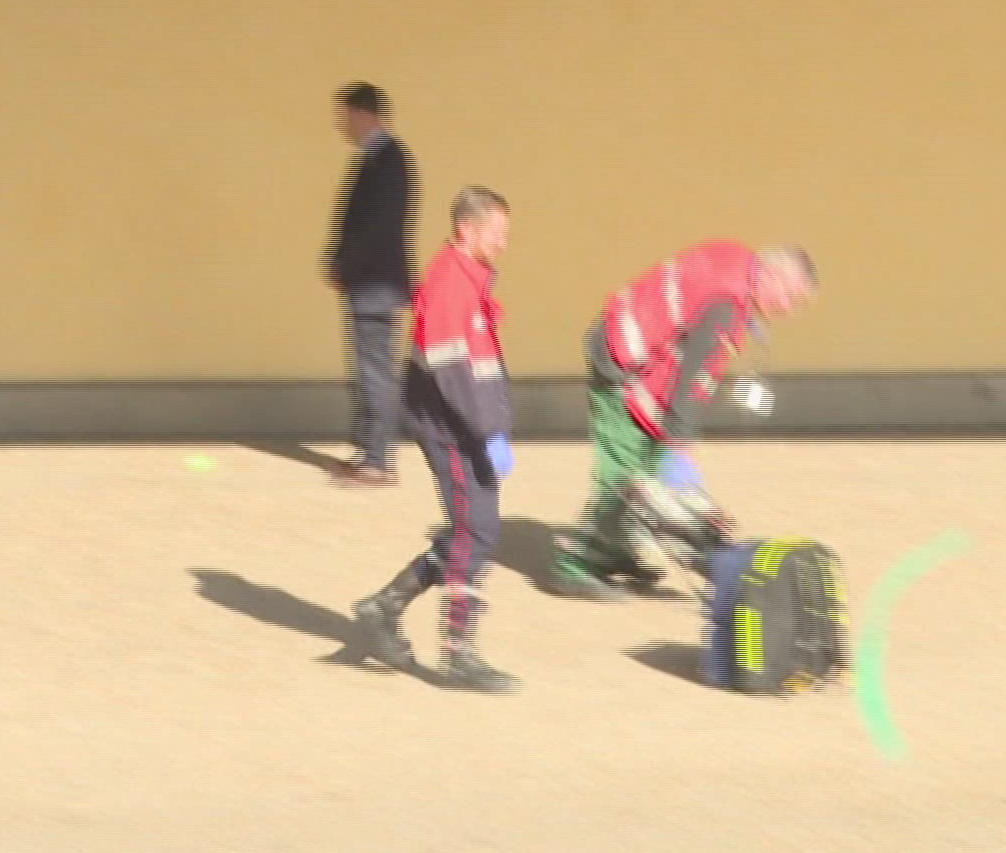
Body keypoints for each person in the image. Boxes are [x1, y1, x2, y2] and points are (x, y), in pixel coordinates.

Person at [548, 242, 818, 600]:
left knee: (647, 468)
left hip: (636, 355)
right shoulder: (728, 301)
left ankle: (613, 551)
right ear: (771, 276)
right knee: (624, 474)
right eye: (790, 297)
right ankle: (576, 565)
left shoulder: (735, 261)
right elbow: (693, 375)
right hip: (621, 361)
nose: (788, 309)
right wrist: (679, 443)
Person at [351, 187, 517, 692]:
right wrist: (488, 432)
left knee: (474, 529)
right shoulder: (450, 282)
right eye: (497, 232)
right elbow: (452, 372)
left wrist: (496, 427)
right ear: (467, 229)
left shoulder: (467, 278)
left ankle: (384, 607)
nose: (504, 242)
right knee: (477, 529)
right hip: (448, 424)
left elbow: (478, 365)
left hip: (464, 424)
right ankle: (456, 652)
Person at [324, 83, 418, 488]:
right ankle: (367, 451)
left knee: (375, 371)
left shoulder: (389, 160)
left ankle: (379, 460)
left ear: (364, 114)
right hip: (368, 282)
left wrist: (345, 263)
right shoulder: (375, 158)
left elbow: (376, 227)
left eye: (345, 116)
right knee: (366, 369)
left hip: (375, 284)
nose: (342, 125)